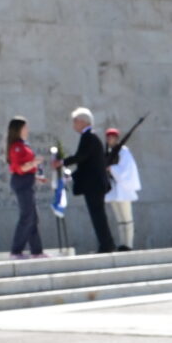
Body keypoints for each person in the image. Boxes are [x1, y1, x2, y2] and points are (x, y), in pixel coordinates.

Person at [67, 108, 117, 253]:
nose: (73, 125)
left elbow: (81, 157)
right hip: (95, 185)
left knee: (98, 215)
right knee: (98, 215)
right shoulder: (90, 137)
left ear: (83, 121)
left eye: (75, 121)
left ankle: (107, 246)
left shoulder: (88, 137)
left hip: (94, 186)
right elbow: (86, 164)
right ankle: (106, 245)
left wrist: (62, 162)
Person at [6, 118, 44, 258]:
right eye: (25, 127)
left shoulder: (23, 145)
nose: (28, 130)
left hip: (27, 181)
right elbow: (19, 168)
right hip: (22, 182)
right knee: (27, 216)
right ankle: (16, 250)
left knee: (33, 217)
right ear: (18, 129)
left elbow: (25, 168)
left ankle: (37, 251)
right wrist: (34, 163)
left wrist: (35, 176)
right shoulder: (16, 147)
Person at [104, 125, 142, 248]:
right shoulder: (109, 152)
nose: (109, 139)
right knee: (120, 219)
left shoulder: (124, 151)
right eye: (108, 137)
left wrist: (111, 168)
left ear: (116, 138)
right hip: (113, 189)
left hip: (123, 189)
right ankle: (122, 244)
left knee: (127, 218)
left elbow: (126, 169)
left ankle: (128, 244)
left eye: (112, 137)